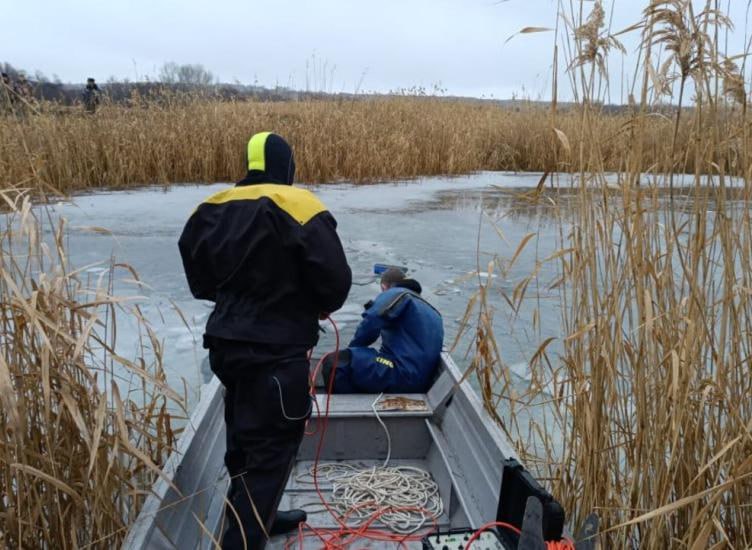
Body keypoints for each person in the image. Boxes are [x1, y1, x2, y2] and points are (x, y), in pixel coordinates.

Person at [178, 132, 351, 549]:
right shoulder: (300, 205)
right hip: (276, 355)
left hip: (226, 348)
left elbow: (199, 280)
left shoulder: (211, 208)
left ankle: (262, 518)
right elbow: (335, 285)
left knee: (241, 438)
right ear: (286, 166)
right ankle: (244, 539)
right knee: (271, 452)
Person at [322, 268, 443, 393]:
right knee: (359, 359)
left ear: (384, 287)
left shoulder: (397, 294)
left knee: (336, 362)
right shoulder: (430, 309)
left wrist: (351, 351)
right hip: (420, 379)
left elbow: (372, 320)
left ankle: (343, 406)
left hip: (401, 374)